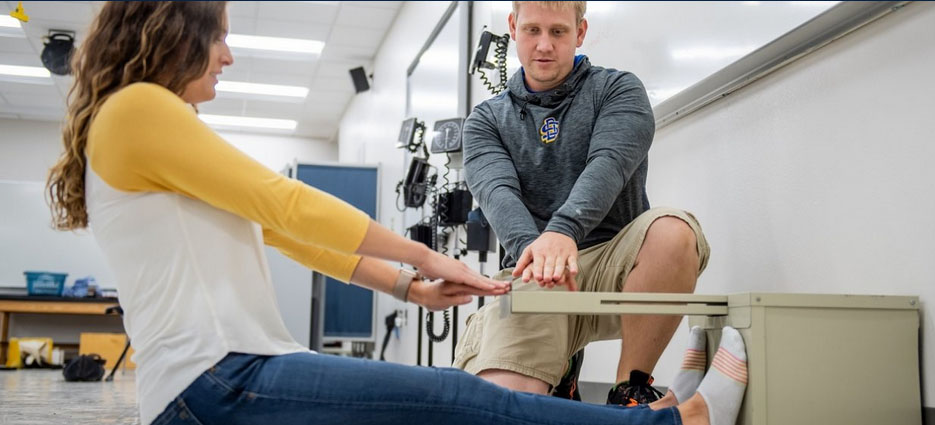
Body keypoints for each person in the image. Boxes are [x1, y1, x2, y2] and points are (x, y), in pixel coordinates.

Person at [45, 2, 745, 425]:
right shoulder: (141, 109)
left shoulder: (139, 120)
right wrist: (425, 256)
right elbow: (282, 200)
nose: (227, 53)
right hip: (216, 378)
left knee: (453, 404)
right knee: (459, 401)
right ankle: (679, 421)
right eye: (219, 33)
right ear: (174, 29)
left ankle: (646, 399)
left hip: (222, 377)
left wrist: (406, 287)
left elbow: (280, 230)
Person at [457, 0, 711, 406]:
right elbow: (497, 193)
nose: (544, 45)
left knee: (673, 231)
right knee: (502, 408)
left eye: (558, 32)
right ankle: (560, 374)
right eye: (532, 31)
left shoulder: (617, 89)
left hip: (616, 264)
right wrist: (538, 251)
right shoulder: (486, 120)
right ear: (512, 27)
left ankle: (631, 387)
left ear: (580, 32)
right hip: (533, 270)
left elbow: (609, 163)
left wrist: (563, 231)